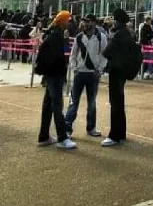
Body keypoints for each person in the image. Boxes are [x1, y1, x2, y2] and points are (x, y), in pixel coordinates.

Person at [36, 10, 77, 150]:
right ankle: (62, 137)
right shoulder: (56, 36)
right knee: (57, 106)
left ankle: (44, 136)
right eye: (68, 20)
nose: (69, 23)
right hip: (55, 75)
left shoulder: (52, 34)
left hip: (50, 74)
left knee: (48, 105)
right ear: (63, 22)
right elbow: (58, 57)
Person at [65, 14, 107, 138]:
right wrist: (74, 68)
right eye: (84, 21)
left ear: (94, 23)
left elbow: (104, 54)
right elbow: (73, 55)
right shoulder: (79, 37)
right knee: (74, 102)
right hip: (79, 73)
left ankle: (91, 127)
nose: (85, 24)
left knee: (92, 102)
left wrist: (99, 69)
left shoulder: (101, 37)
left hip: (93, 74)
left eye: (88, 22)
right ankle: (67, 128)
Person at [102, 8, 137, 146]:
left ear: (118, 22)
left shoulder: (118, 35)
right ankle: (121, 132)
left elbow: (106, 52)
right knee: (119, 102)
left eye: (114, 20)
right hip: (122, 71)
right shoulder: (127, 34)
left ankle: (114, 135)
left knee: (115, 103)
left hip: (116, 70)